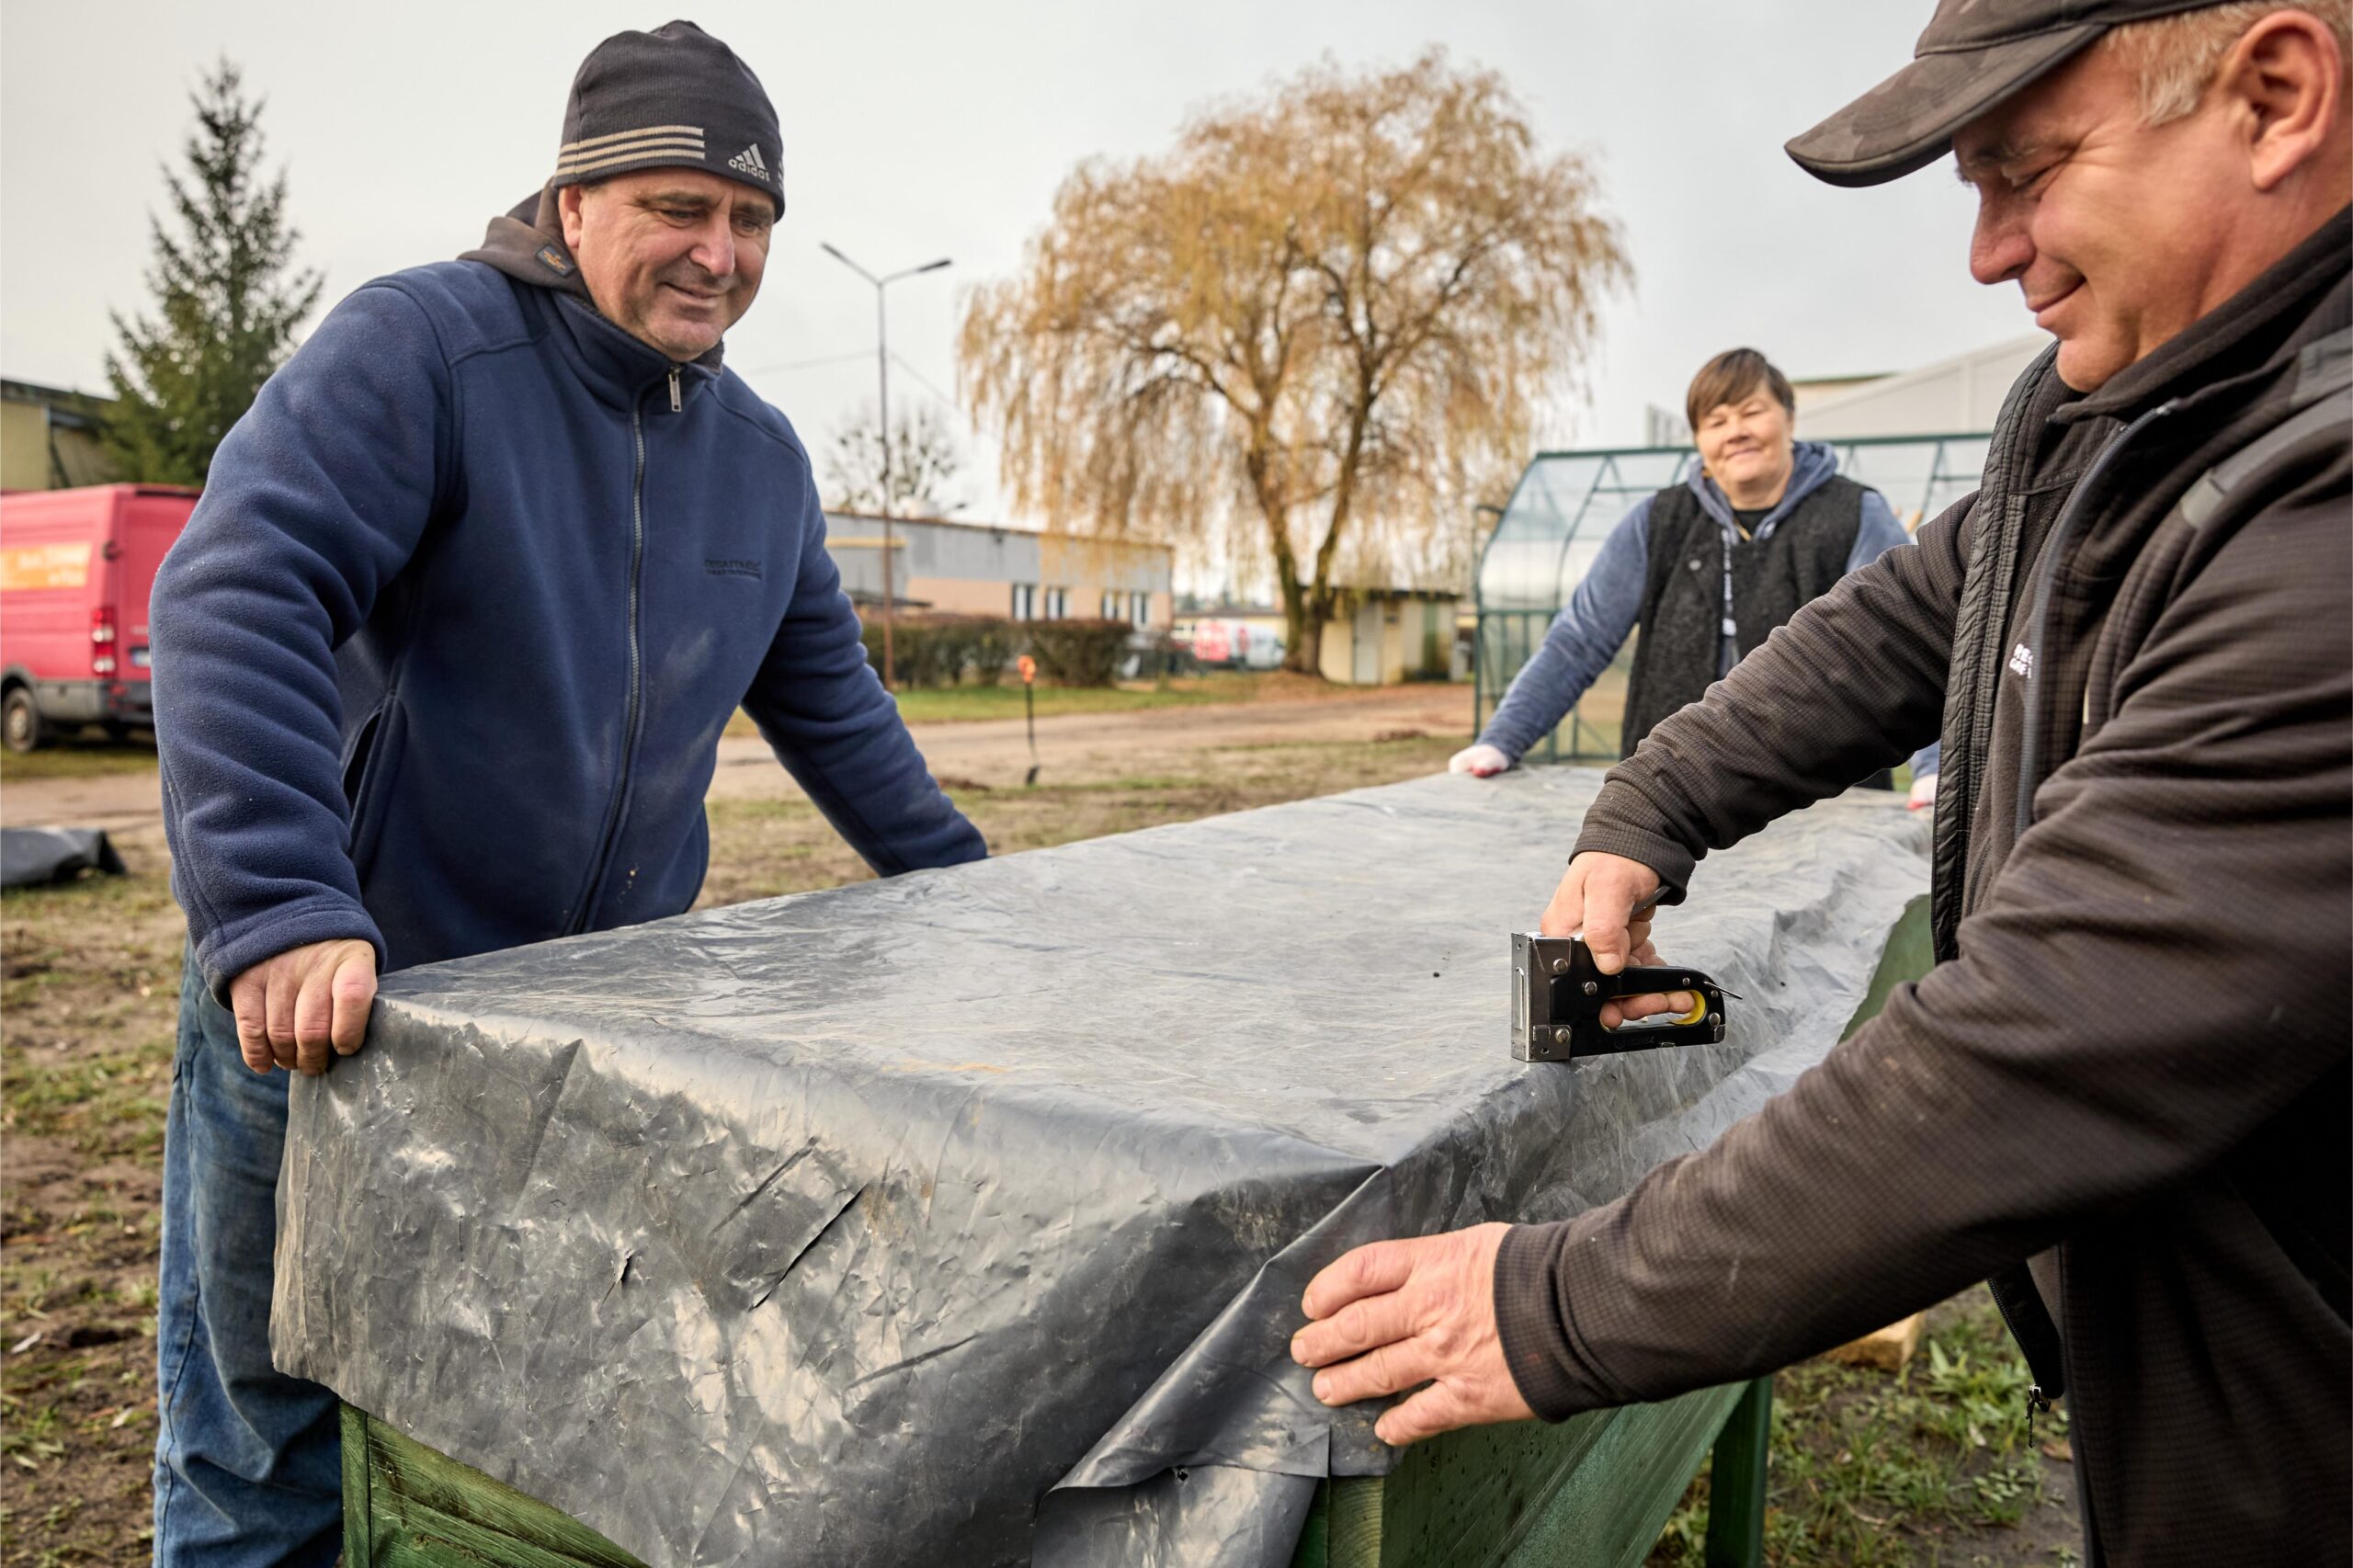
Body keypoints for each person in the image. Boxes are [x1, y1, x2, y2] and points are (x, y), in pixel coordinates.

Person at [1293, 4, 2348, 1564]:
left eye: (2029, 171)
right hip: (2197, 1351)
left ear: (2277, 95)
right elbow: (1910, 621)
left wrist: (1550, 1301)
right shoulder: (2117, 415)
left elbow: (2028, 1053)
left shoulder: (2325, 515)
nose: (1988, 255)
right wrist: (1652, 805)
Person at [146, 22, 986, 1564]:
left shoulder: (761, 459)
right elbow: (236, 587)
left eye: (750, 219)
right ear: (575, 199)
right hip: (345, 1013)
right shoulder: (425, 350)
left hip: (585, 1036)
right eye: (680, 205)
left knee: (507, 1432)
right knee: (271, 1450)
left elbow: (839, 714)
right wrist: (276, 904)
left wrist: (982, 894)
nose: (719, 252)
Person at [1452, 348, 1939, 805]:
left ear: (1789, 419)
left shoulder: (1855, 512)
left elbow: (1903, 639)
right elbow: (1579, 640)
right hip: (1673, 792)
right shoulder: (1657, 521)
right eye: (1716, 421)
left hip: (1824, 794)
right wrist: (1502, 739)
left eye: (1752, 412)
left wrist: (1932, 768)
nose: (1735, 432)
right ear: (1699, 440)